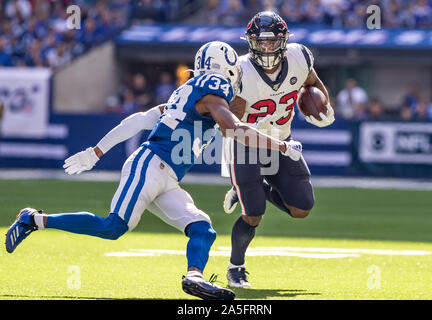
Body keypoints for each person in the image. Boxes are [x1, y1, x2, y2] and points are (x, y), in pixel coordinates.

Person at [5, 41, 303, 300]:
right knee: (114, 227)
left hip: (168, 176)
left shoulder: (187, 93)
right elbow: (233, 127)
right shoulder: (214, 88)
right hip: (150, 164)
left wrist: (97, 151)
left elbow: (140, 120)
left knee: (202, 228)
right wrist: (282, 146)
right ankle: (34, 219)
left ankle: (195, 277)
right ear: (225, 68)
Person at [221, 11, 334, 288]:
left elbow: (313, 85)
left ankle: (256, 188)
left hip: (283, 140)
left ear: (284, 41)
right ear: (251, 42)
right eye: (262, 42)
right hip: (246, 146)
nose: (268, 48)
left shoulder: (299, 58)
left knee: (302, 208)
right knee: (253, 214)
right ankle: (236, 268)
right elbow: (232, 126)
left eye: (273, 42)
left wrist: (324, 106)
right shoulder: (241, 71)